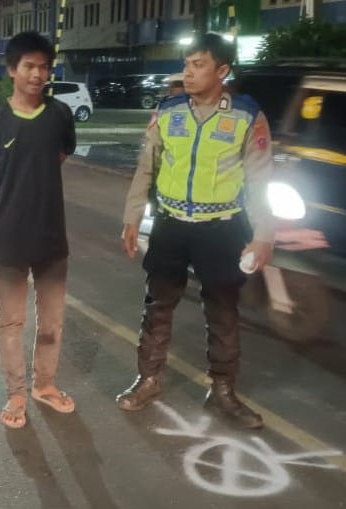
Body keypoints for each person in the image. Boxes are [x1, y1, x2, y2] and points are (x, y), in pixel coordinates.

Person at [115, 33, 275, 429]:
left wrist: (263, 233)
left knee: (222, 311)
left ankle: (222, 392)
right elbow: (146, 167)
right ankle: (149, 379)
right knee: (158, 304)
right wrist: (132, 217)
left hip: (221, 228)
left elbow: (260, 180)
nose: (188, 72)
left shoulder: (246, 115)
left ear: (222, 70)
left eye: (198, 64)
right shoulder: (168, 110)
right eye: (186, 64)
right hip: (171, 225)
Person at [0, 31, 77, 429]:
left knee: (52, 322)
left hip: (52, 237)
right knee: (11, 322)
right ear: (12, 70)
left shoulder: (59, 114)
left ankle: (44, 385)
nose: (37, 74)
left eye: (44, 67)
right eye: (29, 66)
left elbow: (60, 154)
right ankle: (16, 393)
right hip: (10, 238)